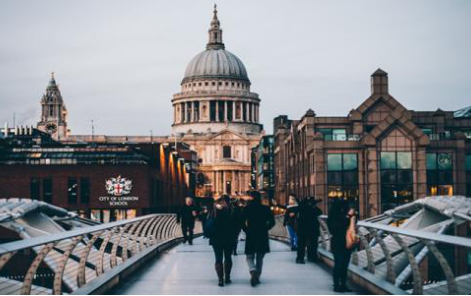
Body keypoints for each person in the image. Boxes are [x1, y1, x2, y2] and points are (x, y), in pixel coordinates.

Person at [242, 191, 276, 287]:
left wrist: (246, 230)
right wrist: (266, 228)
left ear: (251, 198)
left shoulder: (247, 208)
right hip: (262, 234)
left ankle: (253, 270)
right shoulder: (265, 209)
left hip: (251, 234)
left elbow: (241, 222)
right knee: (260, 257)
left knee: (249, 256)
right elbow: (272, 222)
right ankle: (257, 276)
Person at [209, 195, 238, 287]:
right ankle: (227, 278)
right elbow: (237, 225)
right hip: (229, 238)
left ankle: (220, 279)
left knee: (218, 258)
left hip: (216, 239)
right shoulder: (233, 211)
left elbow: (207, 222)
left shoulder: (213, 211)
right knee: (228, 257)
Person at [328, 199, 355, 293]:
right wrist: (348, 216)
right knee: (339, 264)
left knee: (344, 265)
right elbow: (336, 228)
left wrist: (352, 216)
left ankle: (343, 284)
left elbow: (352, 226)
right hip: (338, 243)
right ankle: (336, 285)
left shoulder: (343, 214)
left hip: (346, 243)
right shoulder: (333, 216)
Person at [296, 196, 323, 264]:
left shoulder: (301, 207)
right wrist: (314, 204)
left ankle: (300, 258)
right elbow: (319, 212)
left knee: (301, 244)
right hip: (312, 229)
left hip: (302, 229)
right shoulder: (312, 208)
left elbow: (300, 207)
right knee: (313, 244)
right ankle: (312, 257)